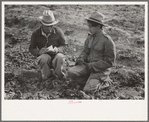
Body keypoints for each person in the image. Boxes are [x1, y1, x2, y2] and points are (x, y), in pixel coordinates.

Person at [68, 12, 116, 94]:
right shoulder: (90, 37)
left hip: (100, 70)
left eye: (90, 27)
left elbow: (109, 62)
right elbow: (85, 51)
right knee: (71, 72)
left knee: (88, 90)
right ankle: (90, 80)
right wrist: (81, 58)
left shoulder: (107, 41)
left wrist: (93, 65)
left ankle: (105, 82)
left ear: (98, 26)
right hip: (88, 66)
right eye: (88, 26)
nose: (89, 29)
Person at [29, 10, 66, 81]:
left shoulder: (58, 31)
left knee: (60, 57)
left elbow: (64, 45)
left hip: (56, 55)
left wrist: (57, 49)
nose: (49, 28)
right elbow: (31, 48)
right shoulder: (36, 34)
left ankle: (60, 77)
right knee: (43, 58)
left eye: (51, 26)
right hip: (44, 56)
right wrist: (39, 52)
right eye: (47, 26)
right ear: (42, 24)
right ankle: (47, 79)